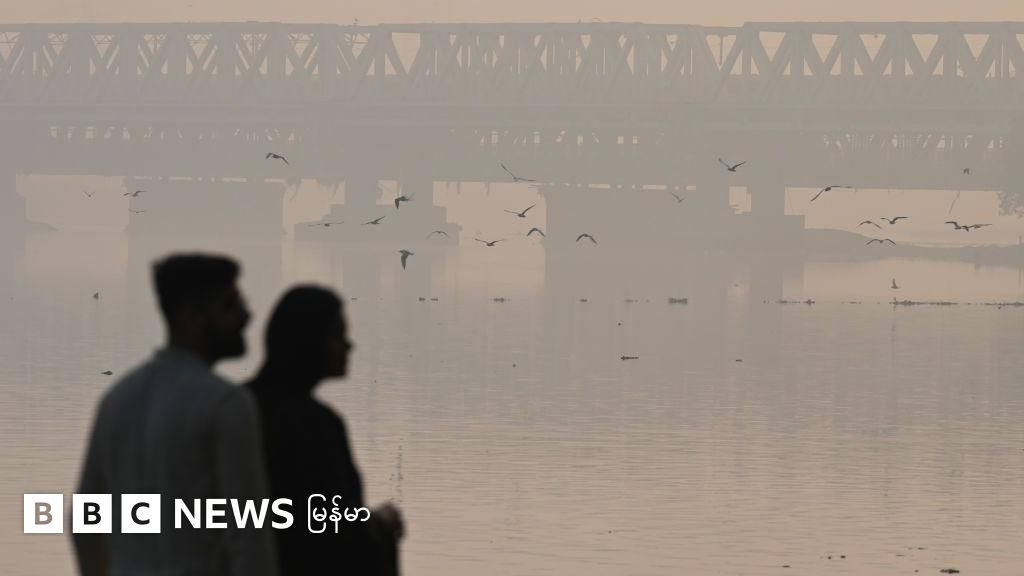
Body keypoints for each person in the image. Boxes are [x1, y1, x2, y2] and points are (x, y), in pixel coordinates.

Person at [72, 253, 278, 576]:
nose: (246, 316)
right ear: (190, 318)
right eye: (230, 306)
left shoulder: (116, 400)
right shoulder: (227, 403)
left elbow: (84, 520)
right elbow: (248, 534)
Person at [247, 285, 404, 576]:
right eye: (338, 335)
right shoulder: (315, 425)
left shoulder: (239, 406)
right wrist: (380, 524)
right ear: (310, 342)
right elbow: (337, 530)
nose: (349, 346)